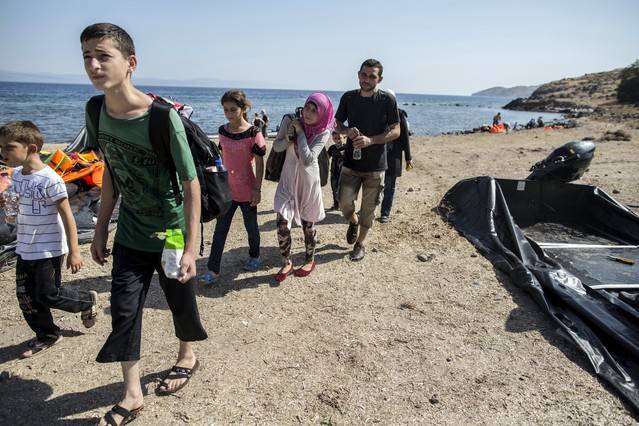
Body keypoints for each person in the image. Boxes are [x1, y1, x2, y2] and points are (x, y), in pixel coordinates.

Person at [81, 23, 207, 425]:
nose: (94, 65)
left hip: (170, 230)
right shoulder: (95, 110)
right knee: (124, 309)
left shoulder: (161, 119)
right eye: (87, 57)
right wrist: (101, 228)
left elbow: (191, 185)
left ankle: (187, 353)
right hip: (132, 232)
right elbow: (112, 172)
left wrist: (190, 247)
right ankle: (131, 394)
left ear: (130, 63)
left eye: (103, 55)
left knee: (179, 300)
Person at [0, 121, 98, 359]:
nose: (3, 153)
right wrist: (8, 206)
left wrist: (74, 251)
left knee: (48, 294)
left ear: (31, 148)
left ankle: (86, 300)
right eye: (1, 148)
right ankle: (47, 334)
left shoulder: (49, 179)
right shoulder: (18, 177)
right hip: (25, 247)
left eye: (8, 148)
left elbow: (67, 215)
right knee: (25, 296)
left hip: (49, 248)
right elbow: (17, 210)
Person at [334, 58, 400, 261]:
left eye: (372, 76)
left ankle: (360, 244)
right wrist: (345, 131)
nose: (367, 79)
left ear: (379, 79)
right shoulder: (348, 98)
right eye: (364, 74)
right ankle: (352, 222)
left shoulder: (387, 100)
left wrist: (371, 140)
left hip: (376, 165)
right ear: (358, 75)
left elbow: (396, 130)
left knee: (369, 210)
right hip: (351, 162)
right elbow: (337, 123)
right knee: (344, 203)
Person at [198, 90, 266, 286]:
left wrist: (257, 189)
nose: (228, 113)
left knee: (251, 227)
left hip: (247, 189)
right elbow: (221, 158)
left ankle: (254, 256)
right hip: (226, 191)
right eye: (225, 110)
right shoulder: (222, 131)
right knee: (220, 230)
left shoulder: (254, 133)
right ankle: (213, 269)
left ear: (243, 109)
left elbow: (259, 164)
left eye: (233, 110)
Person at [272, 93, 333, 282]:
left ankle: (309, 259)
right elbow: (277, 146)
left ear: (322, 114)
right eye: (308, 107)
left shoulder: (324, 131)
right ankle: (286, 261)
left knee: (308, 225)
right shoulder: (290, 120)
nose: (309, 113)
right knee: (282, 222)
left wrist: (299, 133)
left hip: (308, 182)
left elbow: (308, 159)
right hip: (288, 179)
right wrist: (289, 137)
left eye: (315, 110)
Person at [380, 104, 413, 223]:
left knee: (389, 186)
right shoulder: (378, 112)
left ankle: (385, 213)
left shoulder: (400, 115)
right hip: (378, 155)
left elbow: (405, 137)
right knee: (374, 184)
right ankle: (370, 210)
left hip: (394, 157)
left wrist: (408, 158)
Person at [327, 131, 346, 210]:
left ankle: (344, 205)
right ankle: (336, 204)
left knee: (343, 190)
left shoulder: (347, 147)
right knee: (334, 189)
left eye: (339, 138)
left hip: (345, 173)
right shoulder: (332, 148)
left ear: (344, 137)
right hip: (334, 173)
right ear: (332, 139)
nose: (338, 140)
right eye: (335, 138)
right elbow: (326, 158)